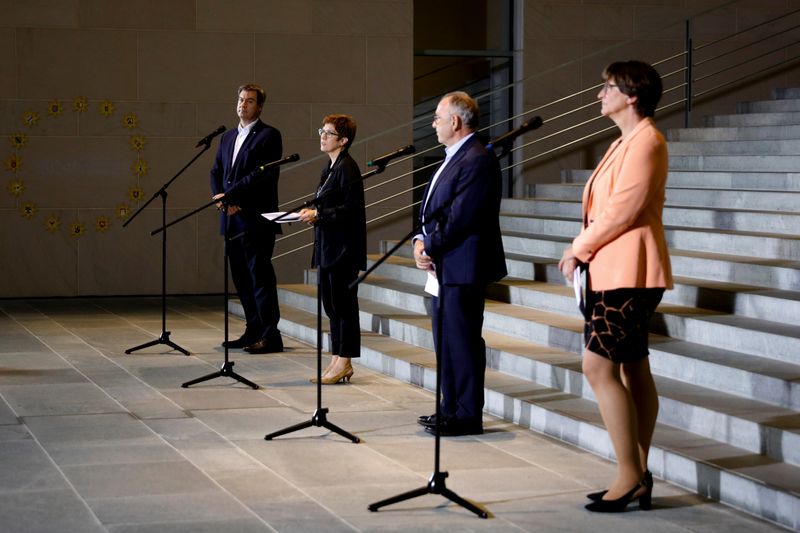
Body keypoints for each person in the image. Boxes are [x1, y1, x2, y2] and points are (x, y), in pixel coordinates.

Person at [558, 61, 672, 513]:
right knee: (631, 367)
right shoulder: (623, 141)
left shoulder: (648, 141)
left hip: (631, 272)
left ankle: (630, 475)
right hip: (613, 270)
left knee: (597, 367)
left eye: (607, 87)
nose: (599, 94)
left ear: (632, 94)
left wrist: (578, 248)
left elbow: (623, 210)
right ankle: (637, 470)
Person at [413, 91, 507, 437]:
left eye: (437, 117)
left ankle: (467, 415)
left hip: (463, 266)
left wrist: (430, 246)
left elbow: (462, 218)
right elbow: (433, 211)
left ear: (454, 121)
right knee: (446, 340)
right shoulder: (454, 156)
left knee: (463, 341)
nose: (433, 124)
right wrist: (419, 242)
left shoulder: (477, 159)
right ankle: (448, 408)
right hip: (444, 265)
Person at [210, 83, 284, 354]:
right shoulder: (227, 137)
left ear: (259, 107)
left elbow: (262, 176)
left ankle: (270, 335)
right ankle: (252, 329)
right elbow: (216, 171)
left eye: (250, 101)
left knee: (260, 278)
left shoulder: (269, 136)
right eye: (240, 99)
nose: (243, 104)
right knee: (241, 278)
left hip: (254, 219)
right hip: (231, 220)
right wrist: (220, 197)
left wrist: (231, 197)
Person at [298, 115, 366, 384]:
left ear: (343, 140)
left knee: (343, 306)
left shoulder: (347, 167)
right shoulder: (330, 167)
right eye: (322, 131)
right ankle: (337, 356)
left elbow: (351, 210)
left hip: (343, 250)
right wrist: (313, 212)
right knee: (332, 306)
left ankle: (345, 360)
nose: (322, 136)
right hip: (328, 247)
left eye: (329, 133)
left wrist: (319, 214)